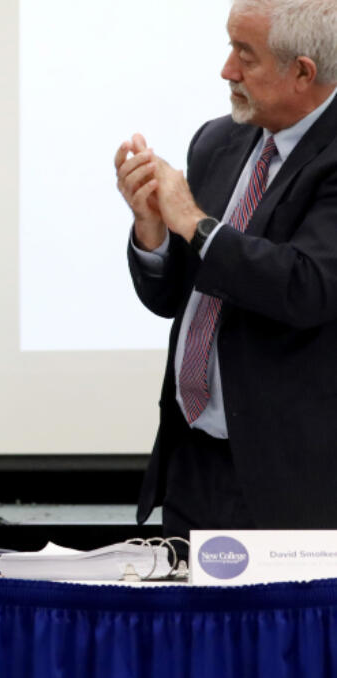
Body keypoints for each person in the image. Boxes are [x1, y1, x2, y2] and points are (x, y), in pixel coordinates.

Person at [116, 0, 337, 535]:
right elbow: (176, 298)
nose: (227, 70)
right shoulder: (219, 141)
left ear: (303, 71)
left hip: (292, 478)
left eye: (246, 54)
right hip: (193, 459)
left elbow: (305, 287)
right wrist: (152, 230)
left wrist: (193, 222)